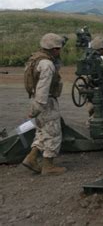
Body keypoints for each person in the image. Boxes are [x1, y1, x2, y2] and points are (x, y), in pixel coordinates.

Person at [22, 33, 66, 175]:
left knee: (41, 131)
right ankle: (48, 166)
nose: (59, 51)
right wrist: (37, 108)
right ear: (53, 49)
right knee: (53, 132)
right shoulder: (47, 64)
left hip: (36, 99)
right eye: (58, 48)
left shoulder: (35, 59)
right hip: (45, 102)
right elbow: (43, 90)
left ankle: (31, 158)